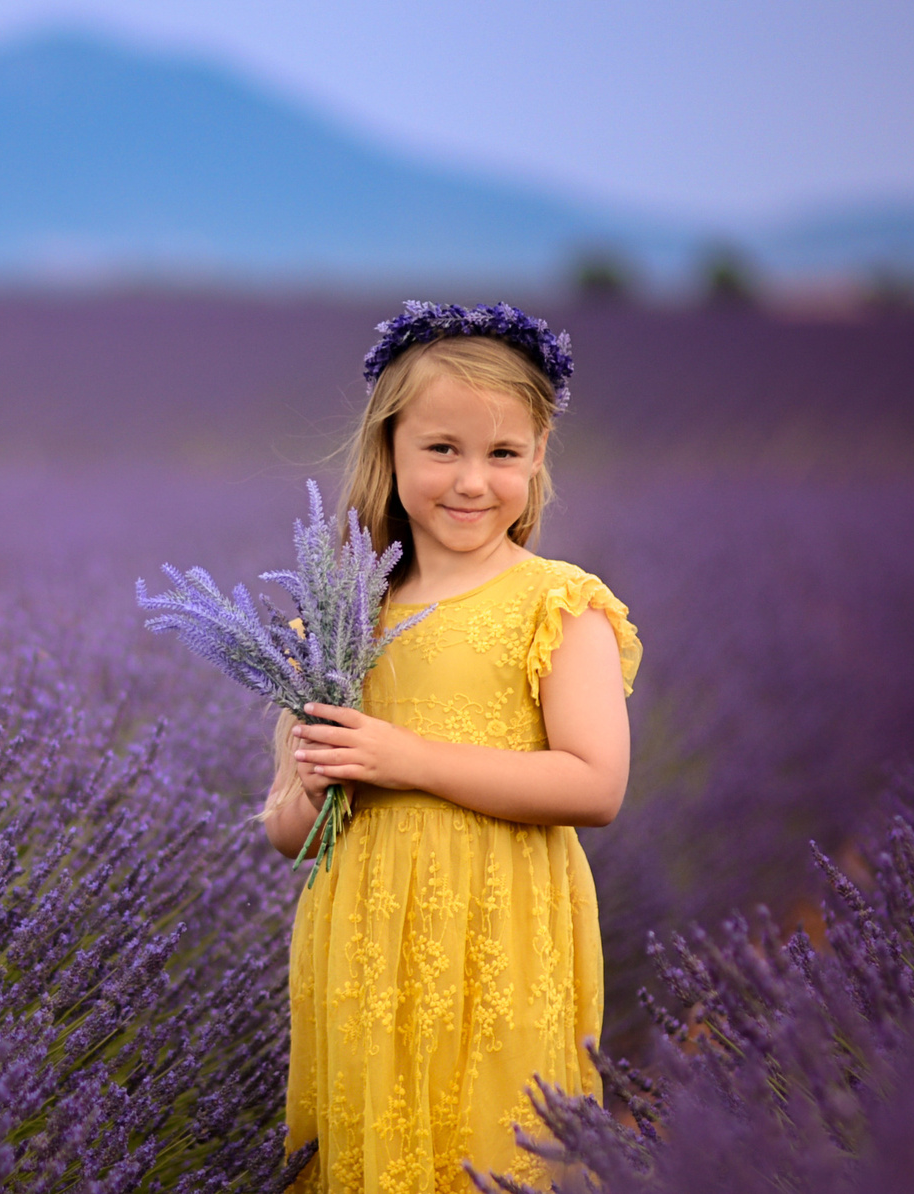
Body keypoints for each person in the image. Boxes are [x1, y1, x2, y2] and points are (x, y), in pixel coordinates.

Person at [261, 302, 642, 1193]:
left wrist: (403, 758)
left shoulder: (557, 605)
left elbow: (597, 785)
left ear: (539, 456)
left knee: (493, 1153)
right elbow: (286, 831)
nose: (473, 481)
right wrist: (315, 786)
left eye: (503, 454)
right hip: (361, 946)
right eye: (443, 450)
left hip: (503, 939)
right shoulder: (339, 615)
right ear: (388, 449)